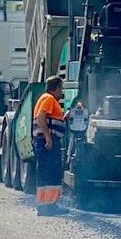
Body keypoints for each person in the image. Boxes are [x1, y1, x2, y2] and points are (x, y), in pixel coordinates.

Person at [33, 77, 67, 216]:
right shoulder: (48, 99)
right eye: (61, 88)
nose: (62, 91)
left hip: (44, 140)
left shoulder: (46, 98)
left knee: (45, 172)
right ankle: (50, 206)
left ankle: (44, 205)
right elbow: (41, 117)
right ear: (57, 88)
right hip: (47, 141)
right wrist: (48, 136)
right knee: (51, 172)